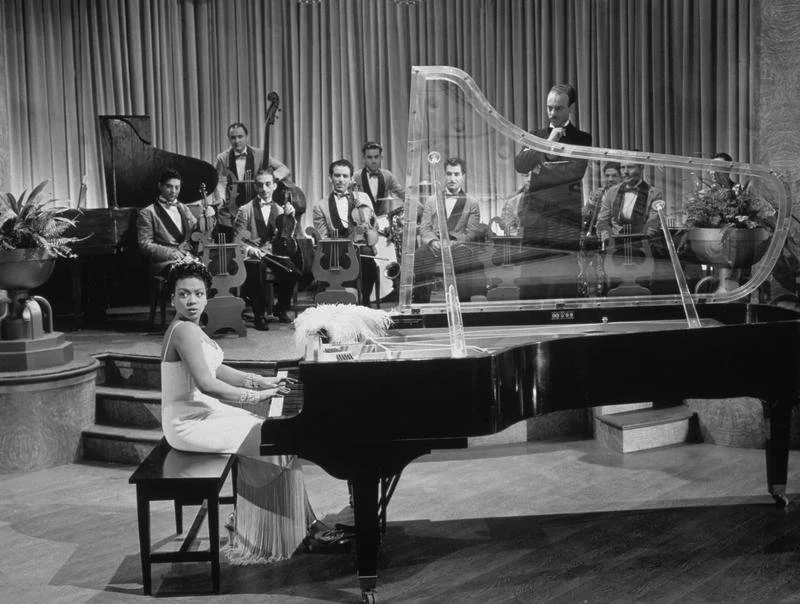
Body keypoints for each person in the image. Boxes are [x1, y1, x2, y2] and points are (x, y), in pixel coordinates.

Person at [161, 257, 348, 563]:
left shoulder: (192, 328)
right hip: (188, 423)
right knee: (276, 439)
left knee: (279, 440)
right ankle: (298, 531)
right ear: (172, 299)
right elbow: (209, 385)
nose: (191, 300)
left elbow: (219, 369)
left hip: (203, 412)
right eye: (183, 294)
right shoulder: (183, 330)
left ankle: (289, 527)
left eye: (197, 293)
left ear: (207, 295)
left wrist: (263, 381)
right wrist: (256, 397)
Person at [514, 83, 592, 250]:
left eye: (558, 108)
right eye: (549, 108)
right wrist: (548, 144)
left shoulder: (582, 139)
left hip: (566, 220)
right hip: (534, 218)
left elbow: (574, 173)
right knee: (530, 272)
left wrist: (538, 169)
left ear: (571, 108)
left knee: (564, 272)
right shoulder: (535, 136)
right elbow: (520, 165)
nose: (552, 114)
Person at [234, 168, 300, 329]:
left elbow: (286, 236)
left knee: (292, 270)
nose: (264, 189)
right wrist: (249, 249)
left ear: (274, 186)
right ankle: (259, 314)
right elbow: (237, 240)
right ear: (256, 187)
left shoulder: (280, 209)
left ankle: (280, 308)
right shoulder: (245, 210)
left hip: (272, 253)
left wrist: (290, 218)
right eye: (260, 185)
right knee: (256, 266)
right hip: (254, 254)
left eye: (268, 184)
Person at [414, 157, 484, 302]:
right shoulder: (432, 200)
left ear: (463, 176)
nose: (452, 178)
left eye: (456, 174)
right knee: (419, 256)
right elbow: (425, 227)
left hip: (458, 246)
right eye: (449, 174)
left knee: (464, 257)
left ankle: (462, 304)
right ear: (444, 175)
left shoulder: (472, 203)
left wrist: (453, 243)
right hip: (435, 246)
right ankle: (422, 304)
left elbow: (471, 233)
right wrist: (432, 241)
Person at [312, 159, 378, 306]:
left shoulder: (363, 198)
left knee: (368, 261)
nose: (341, 180)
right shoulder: (320, 206)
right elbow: (323, 236)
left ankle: (365, 301)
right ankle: (342, 302)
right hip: (336, 248)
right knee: (339, 259)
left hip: (360, 245)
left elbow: (375, 225)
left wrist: (365, 216)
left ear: (351, 179)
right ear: (330, 178)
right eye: (337, 175)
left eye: (345, 176)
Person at [213, 122, 291, 239]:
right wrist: (221, 198)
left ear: (247, 137)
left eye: (240, 137)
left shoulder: (260, 154)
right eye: (233, 138)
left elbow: (284, 169)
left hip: (253, 207)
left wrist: (269, 178)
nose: (237, 141)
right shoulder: (222, 158)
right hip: (230, 209)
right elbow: (218, 181)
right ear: (229, 139)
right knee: (228, 243)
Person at [137, 168, 198, 277]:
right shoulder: (147, 212)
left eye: (177, 187)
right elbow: (145, 244)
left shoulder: (184, 208)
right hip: (164, 262)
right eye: (169, 186)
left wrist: (207, 218)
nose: (173, 191)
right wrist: (171, 254)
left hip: (187, 257)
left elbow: (197, 231)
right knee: (185, 274)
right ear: (160, 186)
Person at [595, 158, 663, 243]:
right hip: (615, 246)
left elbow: (653, 224)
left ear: (641, 168)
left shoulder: (654, 193)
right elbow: (602, 220)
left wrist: (639, 242)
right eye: (622, 168)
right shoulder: (612, 191)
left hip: (642, 245)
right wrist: (607, 237)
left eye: (630, 167)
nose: (625, 172)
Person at [357, 141, 404, 215]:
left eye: (376, 157)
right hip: (362, 221)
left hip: (383, 220)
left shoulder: (387, 175)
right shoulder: (356, 176)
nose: (373, 161)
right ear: (364, 158)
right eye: (369, 157)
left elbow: (402, 193)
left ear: (381, 158)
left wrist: (417, 205)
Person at [583, 162, 622, 236]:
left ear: (621, 177)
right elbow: (585, 217)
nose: (610, 179)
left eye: (614, 176)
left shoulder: (626, 194)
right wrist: (592, 203)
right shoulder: (600, 193)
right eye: (607, 176)